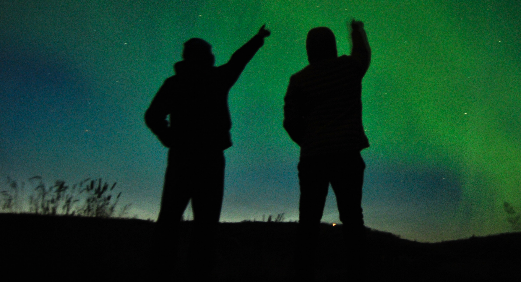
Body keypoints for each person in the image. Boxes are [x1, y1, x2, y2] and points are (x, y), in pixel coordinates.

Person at [144, 25, 270, 280]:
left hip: (182, 157)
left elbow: (153, 116)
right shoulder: (216, 79)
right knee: (205, 222)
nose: (213, 55)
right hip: (210, 158)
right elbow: (238, 60)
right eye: (209, 52)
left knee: (170, 217)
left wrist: (170, 138)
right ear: (203, 56)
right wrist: (257, 39)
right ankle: (197, 271)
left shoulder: (175, 83)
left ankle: (161, 269)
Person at [283, 20, 371, 281]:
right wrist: (357, 32)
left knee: (308, 221)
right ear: (332, 46)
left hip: (313, 159)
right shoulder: (348, 68)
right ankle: (358, 272)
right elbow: (363, 55)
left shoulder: (299, 80)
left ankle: (303, 273)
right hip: (347, 155)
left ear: (309, 49)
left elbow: (290, 122)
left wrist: (310, 142)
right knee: (353, 218)